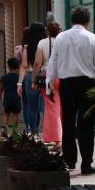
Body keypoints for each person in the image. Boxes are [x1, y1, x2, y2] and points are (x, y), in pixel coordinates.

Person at [47, 6, 95, 175]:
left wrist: (50, 85)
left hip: (67, 85)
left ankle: (69, 161)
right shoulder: (92, 38)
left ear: (71, 20)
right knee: (86, 125)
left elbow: (53, 64)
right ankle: (86, 164)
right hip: (89, 85)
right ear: (88, 21)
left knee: (67, 123)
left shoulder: (60, 38)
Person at [33, 21, 63, 150]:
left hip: (48, 78)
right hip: (64, 77)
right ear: (60, 30)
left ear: (47, 31)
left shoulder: (43, 43)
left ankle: (57, 139)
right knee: (61, 107)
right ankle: (61, 137)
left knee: (52, 108)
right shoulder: (63, 42)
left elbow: (37, 63)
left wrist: (34, 80)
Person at [18, 23, 46, 135]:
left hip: (30, 76)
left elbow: (24, 66)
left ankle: (33, 131)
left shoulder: (27, 47)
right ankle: (47, 131)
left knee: (31, 106)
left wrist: (19, 83)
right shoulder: (45, 44)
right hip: (44, 75)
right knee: (45, 106)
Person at [0, 58, 22, 137]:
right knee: (15, 115)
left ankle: (4, 129)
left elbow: (1, 88)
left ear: (8, 66)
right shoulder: (19, 78)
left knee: (6, 114)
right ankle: (14, 131)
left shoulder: (5, 77)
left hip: (7, 99)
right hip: (16, 100)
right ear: (18, 66)